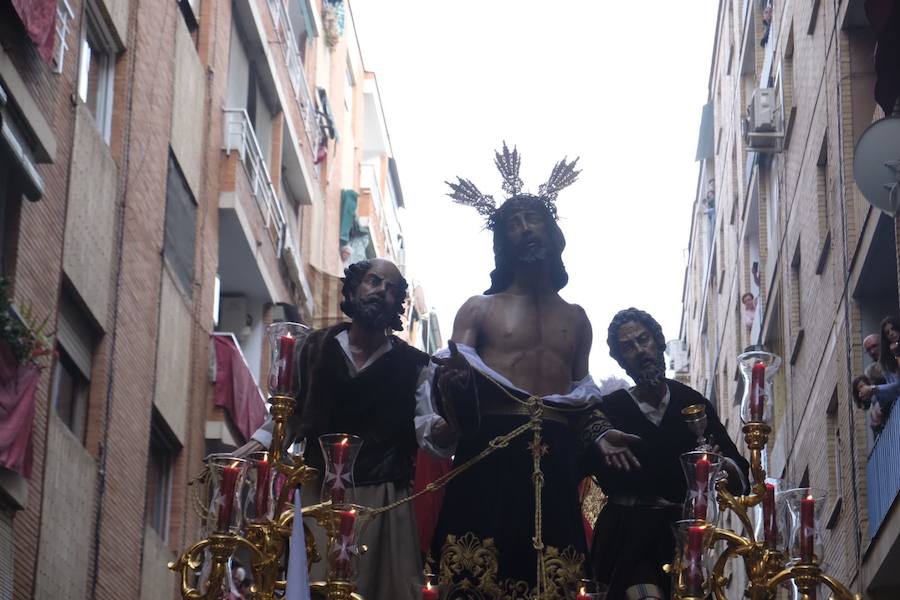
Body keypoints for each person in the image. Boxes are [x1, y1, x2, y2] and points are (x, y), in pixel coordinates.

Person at [425, 144, 638, 598]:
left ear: (552, 231)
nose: (525, 229)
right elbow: (453, 380)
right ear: (502, 242)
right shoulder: (480, 308)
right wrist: (454, 385)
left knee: (555, 579)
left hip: (556, 454)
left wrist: (601, 434)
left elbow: (581, 397)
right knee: (476, 578)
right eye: (513, 224)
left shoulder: (577, 318)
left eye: (533, 219)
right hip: (492, 451)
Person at [236, 258, 445, 600]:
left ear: (398, 304)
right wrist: (247, 450)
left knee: (383, 590)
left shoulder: (417, 366)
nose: (381, 292)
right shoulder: (312, 348)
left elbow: (429, 434)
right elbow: (289, 417)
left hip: (385, 501)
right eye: (374, 281)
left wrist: (452, 423)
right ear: (353, 288)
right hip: (320, 497)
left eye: (391, 289)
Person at [589, 308, 750, 600]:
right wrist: (597, 436)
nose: (640, 350)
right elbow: (576, 457)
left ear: (659, 343)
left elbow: (739, 472)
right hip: (627, 538)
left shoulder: (691, 403)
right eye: (628, 347)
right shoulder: (609, 410)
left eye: (644, 340)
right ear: (620, 359)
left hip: (680, 538)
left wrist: (720, 466)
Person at [859, 316, 900, 419]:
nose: (891, 333)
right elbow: (897, 387)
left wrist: (873, 389)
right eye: (887, 333)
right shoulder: (883, 365)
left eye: (874, 346)